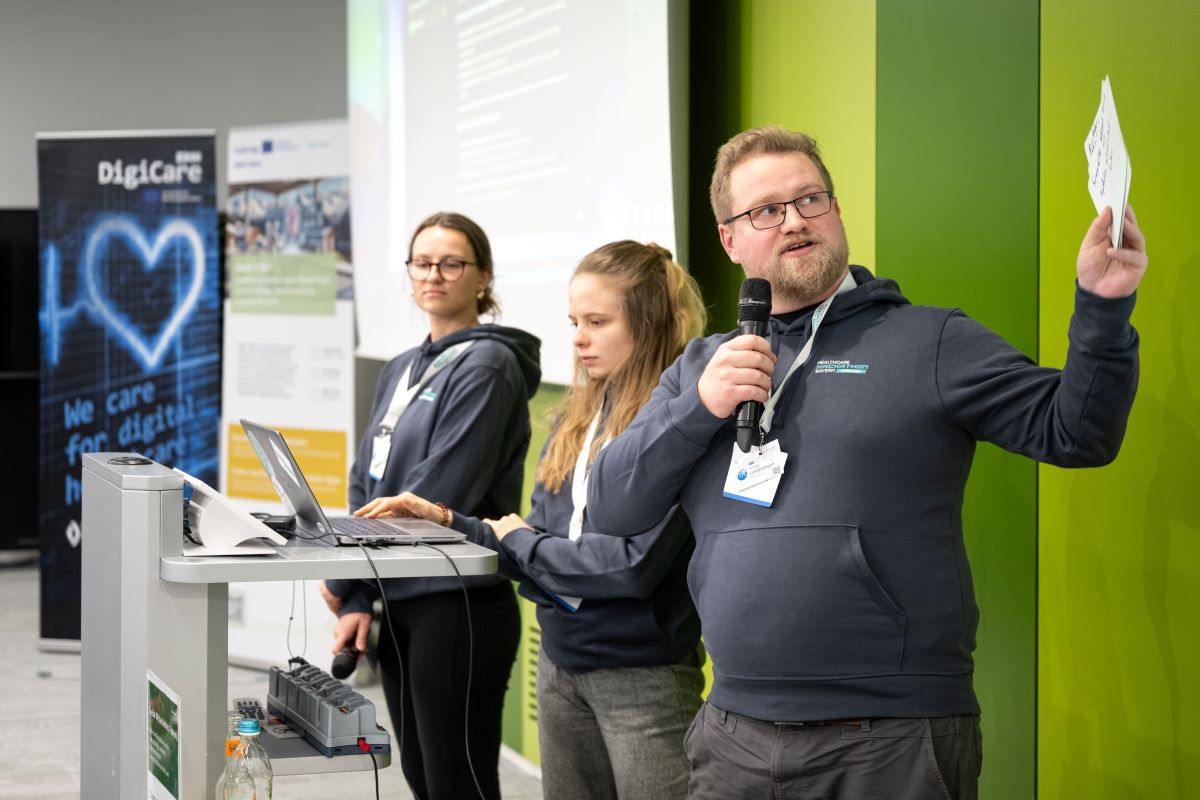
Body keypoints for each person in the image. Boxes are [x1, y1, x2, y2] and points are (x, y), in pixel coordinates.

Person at [586, 127, 1147, 800]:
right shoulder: (702, 368)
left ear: (836, 211)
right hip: (732, 733)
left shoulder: (929, 339)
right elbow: (615, 509)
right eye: (767, 209)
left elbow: (1078, 433)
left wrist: (1102, 309)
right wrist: (697, 410)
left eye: (810, 198)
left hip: (890, 736)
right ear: (730, 239)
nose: (794, 220)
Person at [355, 240, 710, 800]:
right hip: (560, 660)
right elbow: (530, 536)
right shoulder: (581, 413)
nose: (578, 339)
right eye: (574, 321)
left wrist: (523, 544)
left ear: (650, 323)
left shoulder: (678, 424)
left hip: (642, 676)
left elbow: (628, 569)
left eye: (597, 321)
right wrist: (450, 519)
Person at [320, 211, 541, 800]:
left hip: (456, 605)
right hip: (396, 598)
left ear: (483, 277)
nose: (434, 275)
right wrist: (360, 596)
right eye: (422, 263)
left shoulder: (490, 364)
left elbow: (436, 494)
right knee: (420, 776)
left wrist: (343, 575)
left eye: (451, 263)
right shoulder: (399, 368)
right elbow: (367, 483)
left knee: (456, 783)